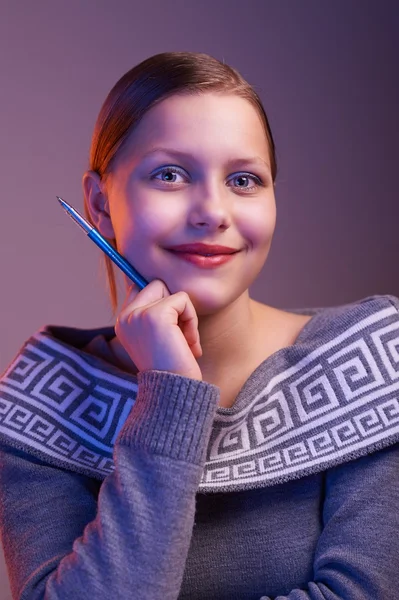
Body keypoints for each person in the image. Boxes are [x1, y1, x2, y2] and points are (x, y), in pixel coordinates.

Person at [0, 51, 398, 600]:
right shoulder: (42, 400)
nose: (213, 210)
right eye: (169, 175)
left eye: (244, 180)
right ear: (99, 205)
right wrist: (170, 397)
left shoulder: (375, 358)